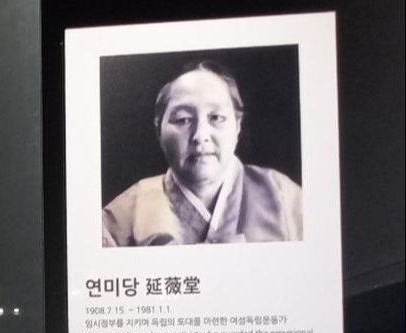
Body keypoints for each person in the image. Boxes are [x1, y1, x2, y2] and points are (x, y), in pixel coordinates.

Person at [102, 60, 303, 247]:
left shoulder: (284, 197)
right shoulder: (121, 218)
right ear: (159, 130)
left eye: (216, 117)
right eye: (183, 119)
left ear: (237, 125)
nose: (200, 135)